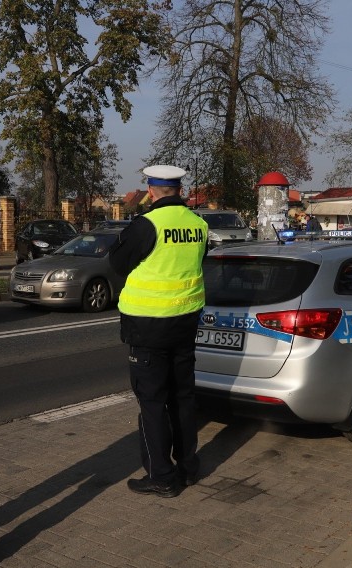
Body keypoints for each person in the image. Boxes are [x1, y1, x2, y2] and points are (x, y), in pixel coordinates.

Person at [108, 164, 208, 498]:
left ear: (151, 191)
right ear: (179, 189)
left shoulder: (146, 224)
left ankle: (162, 477)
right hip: (185, 323)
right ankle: (188, 468)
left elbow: (117, 263)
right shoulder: (198, 224)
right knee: (183, 398)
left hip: (148, 328)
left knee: (152, 404)